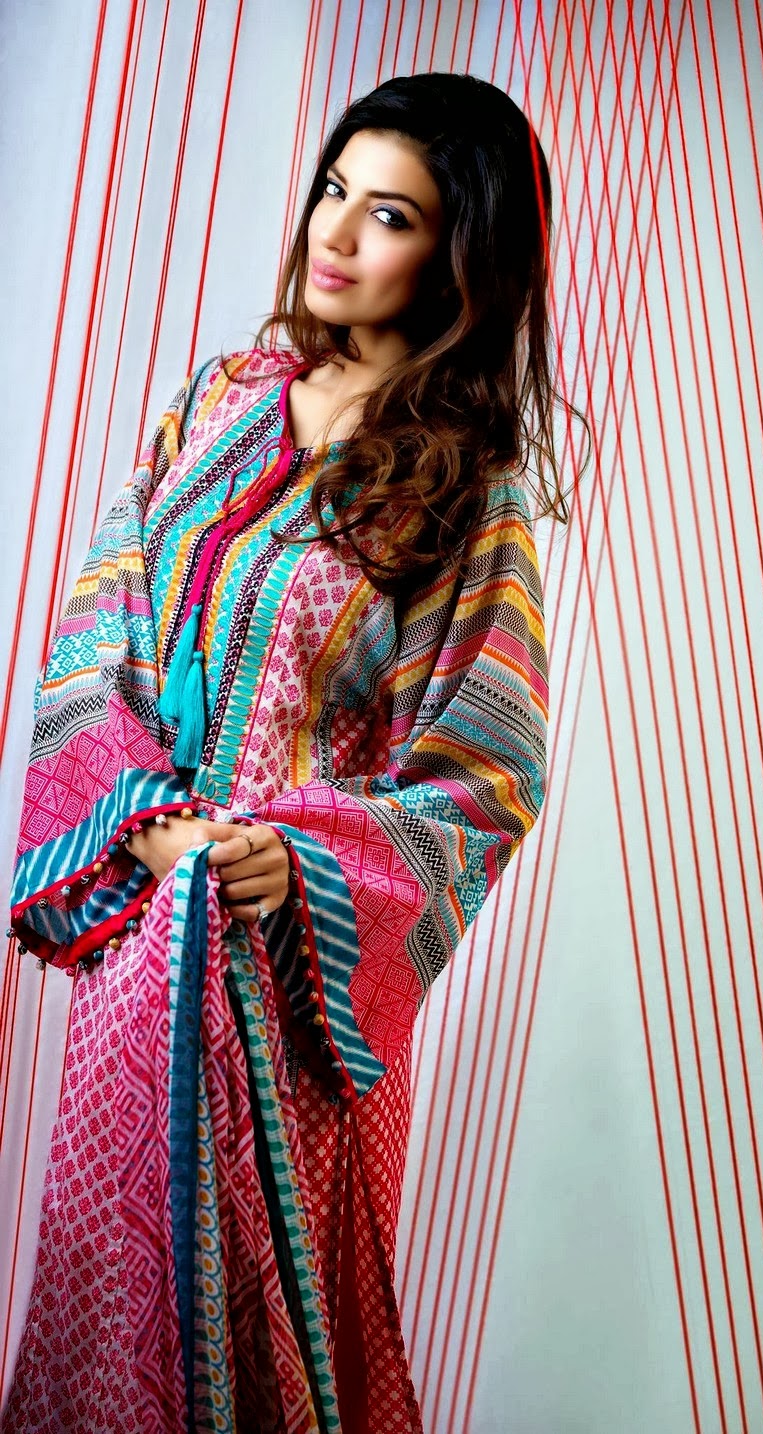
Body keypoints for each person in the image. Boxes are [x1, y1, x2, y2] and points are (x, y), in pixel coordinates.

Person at [2, 70, 568, 1433]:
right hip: (144, 946)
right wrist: (145, 818)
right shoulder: (218, 402)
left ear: (460, 258)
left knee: (267, 1348)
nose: (338, 232)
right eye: (334, 189)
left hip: (295, 996)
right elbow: (95, 636)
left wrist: (294, 858)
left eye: (392, 215)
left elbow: (488, 775)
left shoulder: (465, 489)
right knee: (105, 1315)